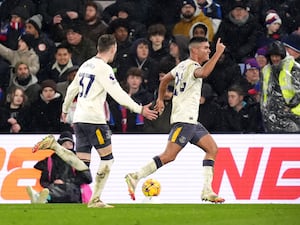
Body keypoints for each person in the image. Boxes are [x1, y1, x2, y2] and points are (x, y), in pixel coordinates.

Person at [33, 34, 158, 208]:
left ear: (98, 47)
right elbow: (119, 94)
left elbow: (71, 89)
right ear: (113, 48)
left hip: (79, 119)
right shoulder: (103, 68)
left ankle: (56, 147)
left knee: (83, 164)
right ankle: (96, 199)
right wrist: (140, 109)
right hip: (94, 120)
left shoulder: (86, 65)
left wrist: (64, 109)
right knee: (107, 159)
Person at [125, 36, 226, 203]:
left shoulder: (181, 65)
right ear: (195, 50)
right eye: (206, 48)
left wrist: (160, 99)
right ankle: (135, 176)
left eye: (210, 48)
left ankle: (207, 190)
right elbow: (205, 72)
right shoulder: (193, 66)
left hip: (192, 121)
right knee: (168, 156)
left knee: (212, 149)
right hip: (184, 120)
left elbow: (165, 79)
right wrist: (218, 53)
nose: (208, 50)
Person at [27, 131, 93, 203]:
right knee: (54, 188)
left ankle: (41, 197)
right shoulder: (50, 161)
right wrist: (53, 183)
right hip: (55, 189)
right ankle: (43, 197)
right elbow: (43, 181)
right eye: (65, 144)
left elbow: (88, 178)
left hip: (74, 193)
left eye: (70, 144)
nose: (68, 147)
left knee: (66, 188)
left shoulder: (77, 160)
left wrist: (65, 182)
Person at [260, 40, 300, 133]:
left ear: (282, 56)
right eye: (272, 56)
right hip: (272, 118)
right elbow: (264, 94)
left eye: (277, 56)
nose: (274, 58)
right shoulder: (265, 71)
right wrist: (266, 111)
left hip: (294, 116)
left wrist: (288, 108)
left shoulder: (294, 68)